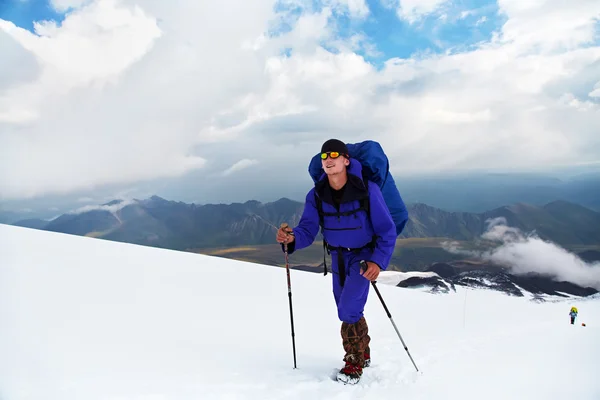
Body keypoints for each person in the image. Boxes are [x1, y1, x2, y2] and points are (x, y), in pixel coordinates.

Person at [276, 138, 399, 384]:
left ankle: (353, 364)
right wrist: (291, 239)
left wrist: (377, 262)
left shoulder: (367, 189)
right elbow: (308, 229)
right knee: (347, 308)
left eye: (334, 155)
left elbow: (387, 230)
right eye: (324, 156)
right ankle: (363, 351)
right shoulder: (317, 195)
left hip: (363, 257)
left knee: (348, 309)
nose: (328, 159)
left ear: (346, 160)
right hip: (337, 257)